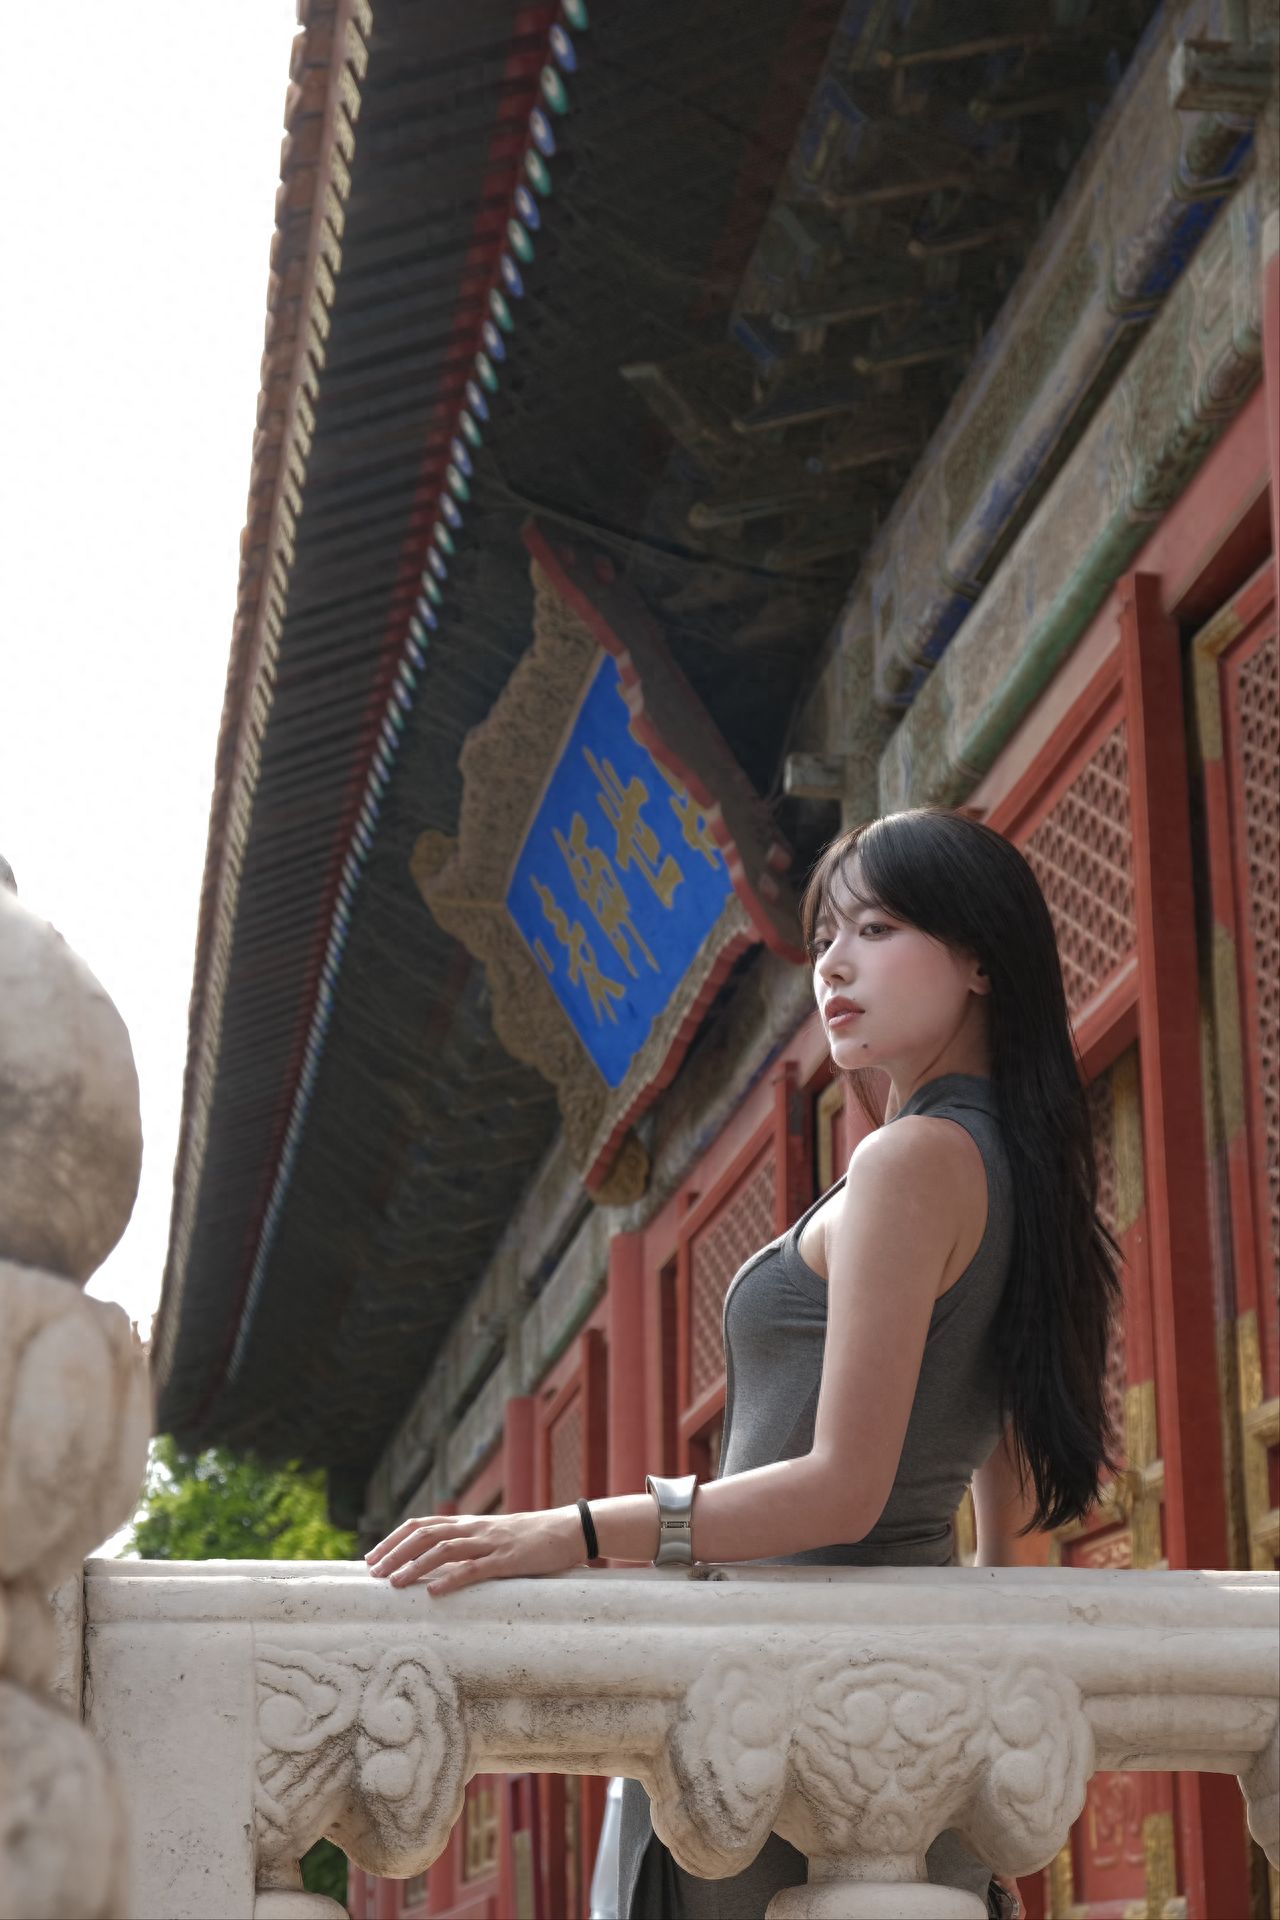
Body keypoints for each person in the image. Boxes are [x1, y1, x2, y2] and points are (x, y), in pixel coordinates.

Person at [366, 808, 1122, 1920]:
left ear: (976, 958)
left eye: (874, 928)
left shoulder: (911, 1161)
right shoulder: (1011, 1164)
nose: (832, 965)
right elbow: (992, 1484)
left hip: (775, 1709)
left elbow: (843, 1487)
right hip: (882, 1708)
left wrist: (570, 1532)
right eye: (823, 936)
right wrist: (970, 1664)